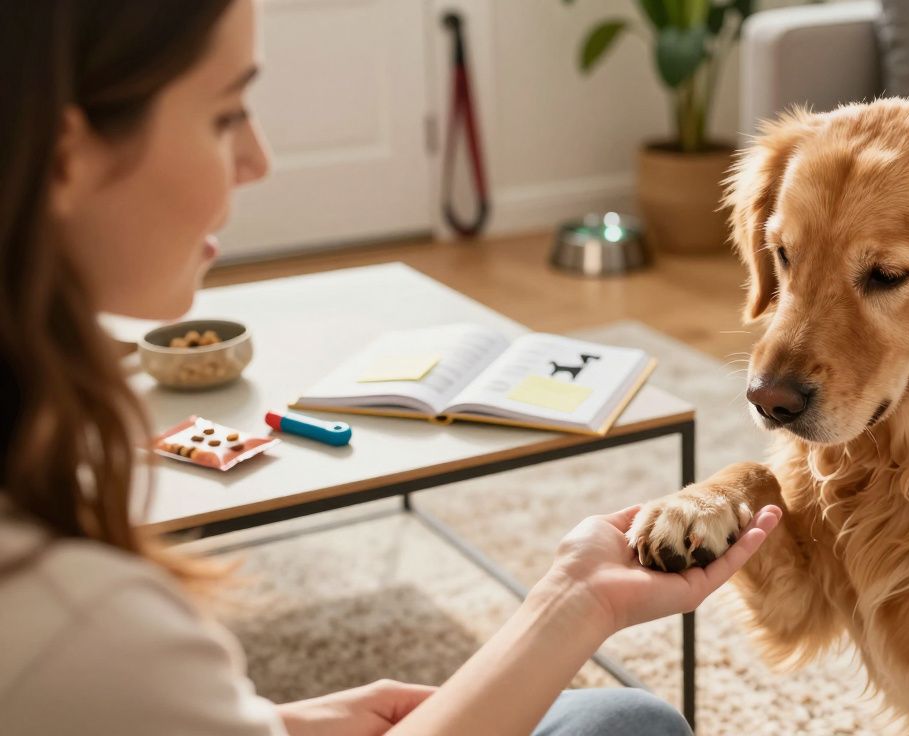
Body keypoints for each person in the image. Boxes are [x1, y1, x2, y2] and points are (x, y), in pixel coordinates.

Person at [0, 2, 782, 734]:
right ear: (68, 154)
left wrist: (280, 724)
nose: (258, 160)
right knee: (633, 723)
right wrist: (580, 604)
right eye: (225, 113)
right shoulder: (85, 623)